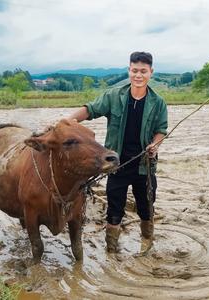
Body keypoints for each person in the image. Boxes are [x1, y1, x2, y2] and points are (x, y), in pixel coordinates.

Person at [68, 51, 168, 252]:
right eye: (134, 71)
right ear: (129, 70)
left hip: (144, 167)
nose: (138, 75)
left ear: (151, 72)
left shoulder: (158, 103)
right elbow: (90, 110)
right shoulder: (114, 96)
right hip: (116, 166)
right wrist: (67, 121)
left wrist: (155, 145)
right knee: (114, 211)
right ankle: (111, 252)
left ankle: (147, 245)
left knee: (147, 210)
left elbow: (161, 130)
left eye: (143, 71)